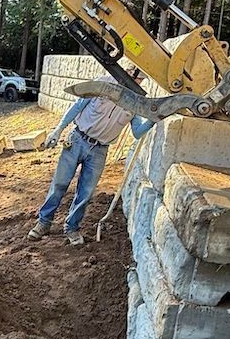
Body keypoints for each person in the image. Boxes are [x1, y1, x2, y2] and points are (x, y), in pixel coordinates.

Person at [27, 68, 153, 246]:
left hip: (99, 151)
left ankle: (72, 228)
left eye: (141, 80)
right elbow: (78, 106)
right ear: (129, 72)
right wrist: (58, 129)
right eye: (138, 78)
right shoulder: (103, 84)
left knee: (85, 192)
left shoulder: (135, 101)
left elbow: (138, 132)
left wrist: (154, 119)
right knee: (60, 183)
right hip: (77, 140)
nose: (139, 83)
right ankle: (44, 222)